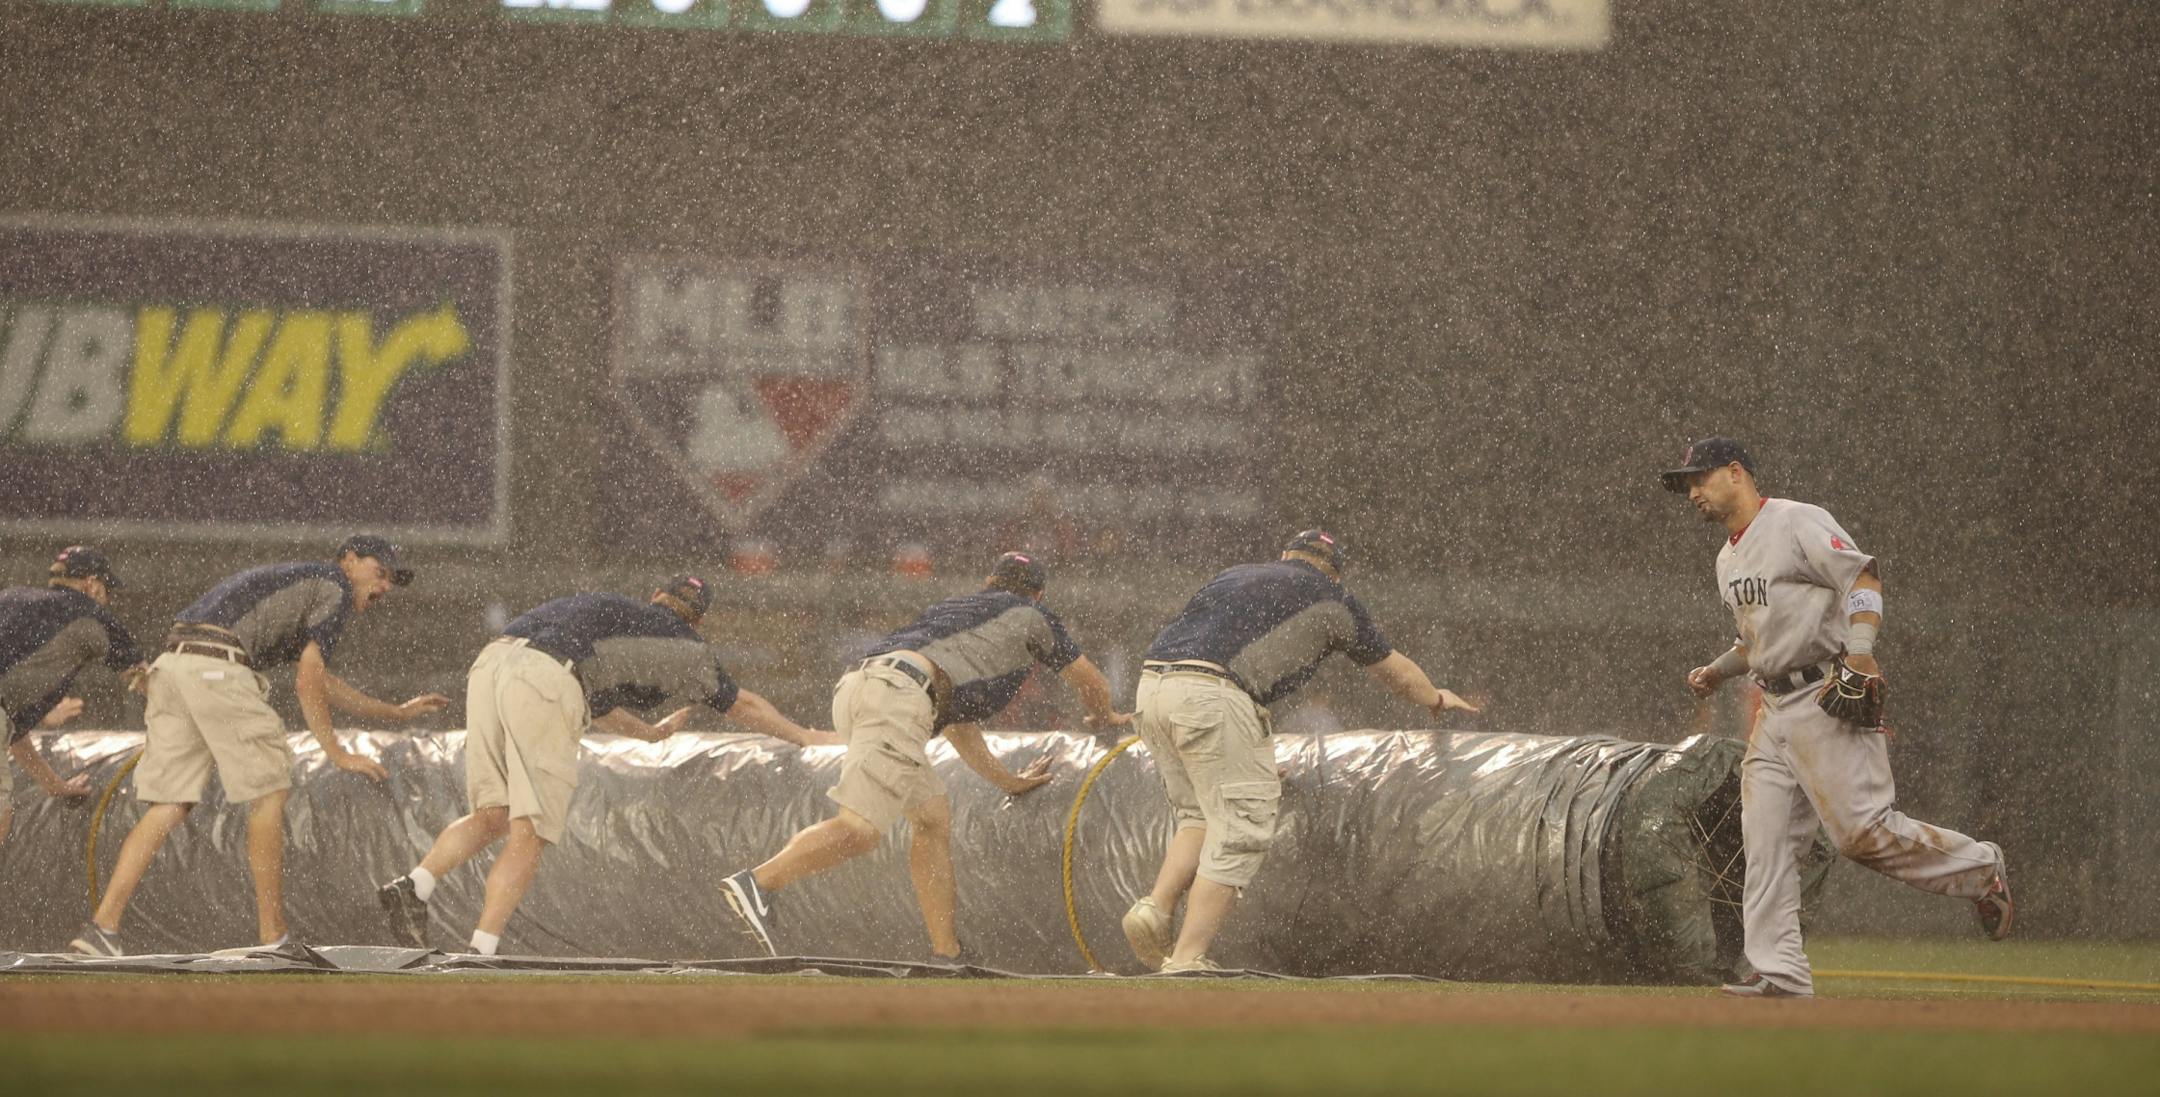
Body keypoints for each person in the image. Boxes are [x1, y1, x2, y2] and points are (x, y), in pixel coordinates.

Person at [1662, 437, 2012, 999]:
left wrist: (1863, 648)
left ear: (1736, 472)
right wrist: (1718, 669)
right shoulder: (1726, 559)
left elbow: (1863, 576)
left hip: (1825, 693)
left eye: (1700, 479)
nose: (1693, 493)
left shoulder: (1797, 522)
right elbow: (1758, 643)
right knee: (1767, 840)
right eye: (1687, 485)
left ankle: (1980, 869)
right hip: (1773, 709)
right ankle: (1779, 971)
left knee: (1862, 835)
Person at [375, 575, 836, 956]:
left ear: (656, 595)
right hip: (545, 676)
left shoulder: (609, 614)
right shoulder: (682, 641)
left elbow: (588, 699)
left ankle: (415, 884)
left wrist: (651, 735)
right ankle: (481, 950)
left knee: (492, 814)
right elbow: (743, 704)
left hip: (491, 664)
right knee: (529, 830)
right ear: (695, 618)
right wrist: (805, 736)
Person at [720, 552, 1127, 963]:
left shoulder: (958, 614)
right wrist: (1104, 714)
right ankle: (758, 883)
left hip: (869, 687)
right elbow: (1090, 680)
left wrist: (1007, 781)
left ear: (989, 580)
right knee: (860, 829)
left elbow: (957, 725)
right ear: (1038, 594)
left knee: (932, 820)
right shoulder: (1031, 616)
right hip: (898, 696)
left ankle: (946, 954)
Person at [70, 536, 449, 956]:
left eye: (392, 581)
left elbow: (321, 680)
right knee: (269, 791)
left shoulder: (298, 583)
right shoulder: (335, 586)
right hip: (218, 669)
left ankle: (102, 928)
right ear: (350, 560)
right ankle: (274, 938)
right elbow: (308, 683)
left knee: (169, 803)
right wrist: (339, 754)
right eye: (380, 573)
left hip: (173, 667)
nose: (385, 587)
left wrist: (394, 713)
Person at [1122, 529, 1480, 973]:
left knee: (1198, 814)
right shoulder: (1333, 598)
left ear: (1286, 554)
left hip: (1153, 686)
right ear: (1332, 569)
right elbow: (1398, 674)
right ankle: (1187, 958)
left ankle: (1155, 907)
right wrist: (1437, 698)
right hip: (1212, 694)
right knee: (1240, 828)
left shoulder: (1234, 574)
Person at [0, 546, 148, 846]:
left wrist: (55, 786)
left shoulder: (10, 598)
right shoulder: (90, 614)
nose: (106, 600)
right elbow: (146, 681)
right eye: (106, 591)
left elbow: (11, 733)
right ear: (92, 584)